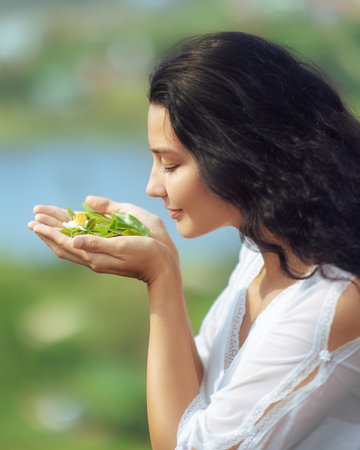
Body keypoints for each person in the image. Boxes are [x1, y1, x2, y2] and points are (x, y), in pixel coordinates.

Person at [28, 32, 360, 449]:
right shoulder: (261, 252)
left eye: (170, 164)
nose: (152, 186)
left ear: (240, 152)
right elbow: (201, 390)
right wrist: (161, 255)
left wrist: (161, 280)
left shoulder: (332, 299)